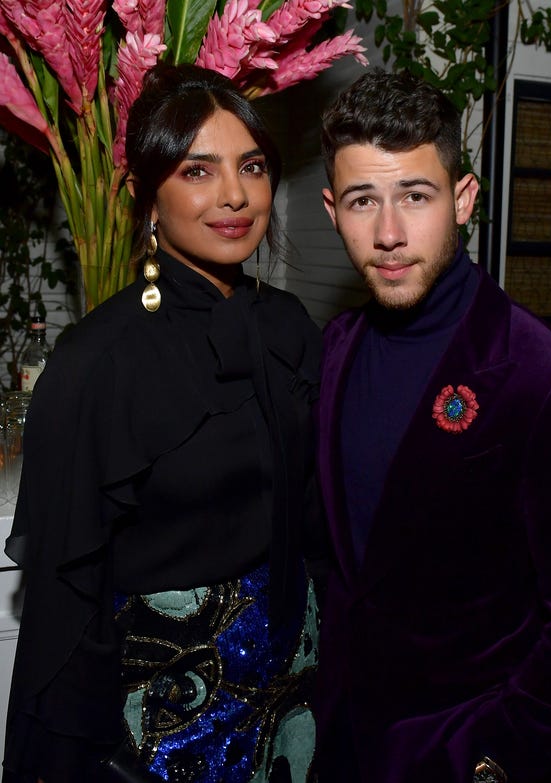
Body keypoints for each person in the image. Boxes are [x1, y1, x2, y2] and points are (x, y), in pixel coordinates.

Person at [314, 68, 551, 783]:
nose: (390, 233)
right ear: (334, 209)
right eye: (365, 200)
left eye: (416, 196)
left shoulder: (548, 379)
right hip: (343, 744)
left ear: (463, 200)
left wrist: (492, 759)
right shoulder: (336, 350)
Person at [3, 63, 324, 783]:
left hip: (294, 703)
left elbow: (316, 520)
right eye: (197, 171)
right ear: (149, 198)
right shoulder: (97, 364)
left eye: (251, 166)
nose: (236, 195)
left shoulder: (291, 329)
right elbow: (67, 614)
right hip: (166, 726)